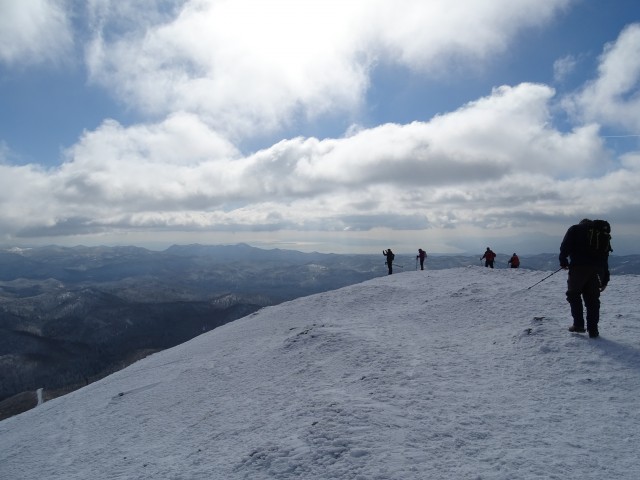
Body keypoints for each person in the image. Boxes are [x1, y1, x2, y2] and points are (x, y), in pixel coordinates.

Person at [559, 219, 610, 338]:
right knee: (592, 300)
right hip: (598, 270)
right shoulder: (601, 234)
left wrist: (563, 261)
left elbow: (565, 246)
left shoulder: (575, 229)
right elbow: (605, 257)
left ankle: (578, 325)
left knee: (573, 294)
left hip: (579, 268)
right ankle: (593, 330)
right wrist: (605, 279)